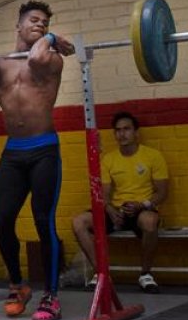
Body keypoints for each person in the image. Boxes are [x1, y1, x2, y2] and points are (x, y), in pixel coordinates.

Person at [0, 0, 76, 320]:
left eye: (44, 22)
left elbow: (37, 55)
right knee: (2, 219)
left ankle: (51, 296)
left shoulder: (51, 61)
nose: (39, 25)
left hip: (44, 150)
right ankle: (17, 285)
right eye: (33, 20)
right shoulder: (0, 65)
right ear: (18, 25)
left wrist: (53, 38)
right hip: (13, 153)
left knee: (44, 221)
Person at [71, 111, 169, 293]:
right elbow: (104, 193)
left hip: (141, 208)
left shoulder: (153, 156)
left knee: (150, 221)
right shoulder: (109, 159)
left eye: (126, 129)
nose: (122, 134)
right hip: (116, 210)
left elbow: (162, 192)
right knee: (79, 222)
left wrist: (143, 204)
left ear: (136, 133)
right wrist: (109, 209)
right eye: (118, 130)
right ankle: (101, 273)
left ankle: (146, 275)